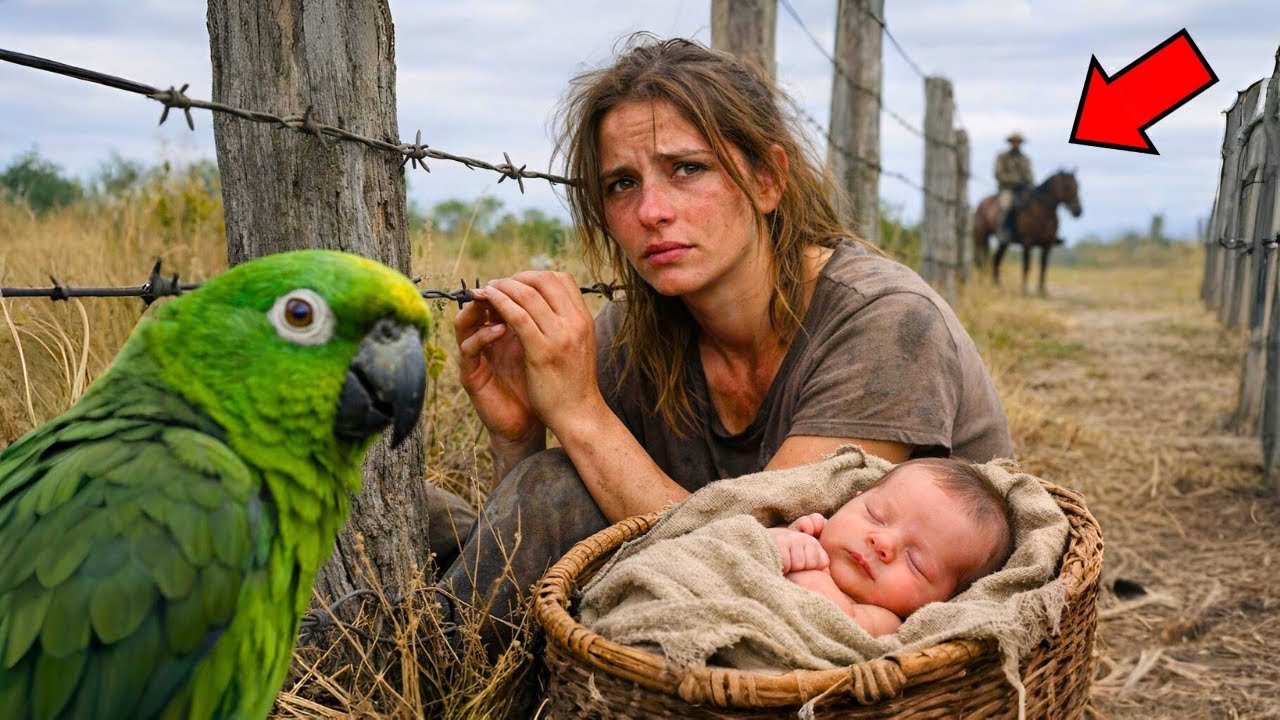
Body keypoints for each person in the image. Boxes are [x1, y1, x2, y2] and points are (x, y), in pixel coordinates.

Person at [427, 34, 1014, 660]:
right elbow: (535, 551)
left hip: (818, 654)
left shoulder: (887, 324)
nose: (651, 210)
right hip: (678, 627)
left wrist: (576, 410)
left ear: (767, 181)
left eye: (688, 168)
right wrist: (519, 432)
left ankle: (413, 669)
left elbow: (762, 565)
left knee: (555, 487)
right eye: (622, 184)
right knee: (416, 508)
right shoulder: (632, 333)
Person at [769, 457, 1013, 637]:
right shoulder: (808, 534)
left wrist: (808, 569)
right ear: (850, 500)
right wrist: (784, 536)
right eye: (875, 515)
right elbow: (743, 544)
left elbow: (838, 627)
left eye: (915, 562)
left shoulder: (884, 621)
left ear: (942, 602)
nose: (883, 542)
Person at [994, 132, 1034, 245]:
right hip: (1007, 189)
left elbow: (1030, 175)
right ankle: (1002, 230)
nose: (1016, 144)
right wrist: (1016, 180)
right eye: (1014, 142)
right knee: (1006, 206)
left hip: (1023, 190)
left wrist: (1029, 182)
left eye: (1018, 142)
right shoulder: (1002, 157)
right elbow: (998, 174)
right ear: (1010, 143)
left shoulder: (1025, 159)